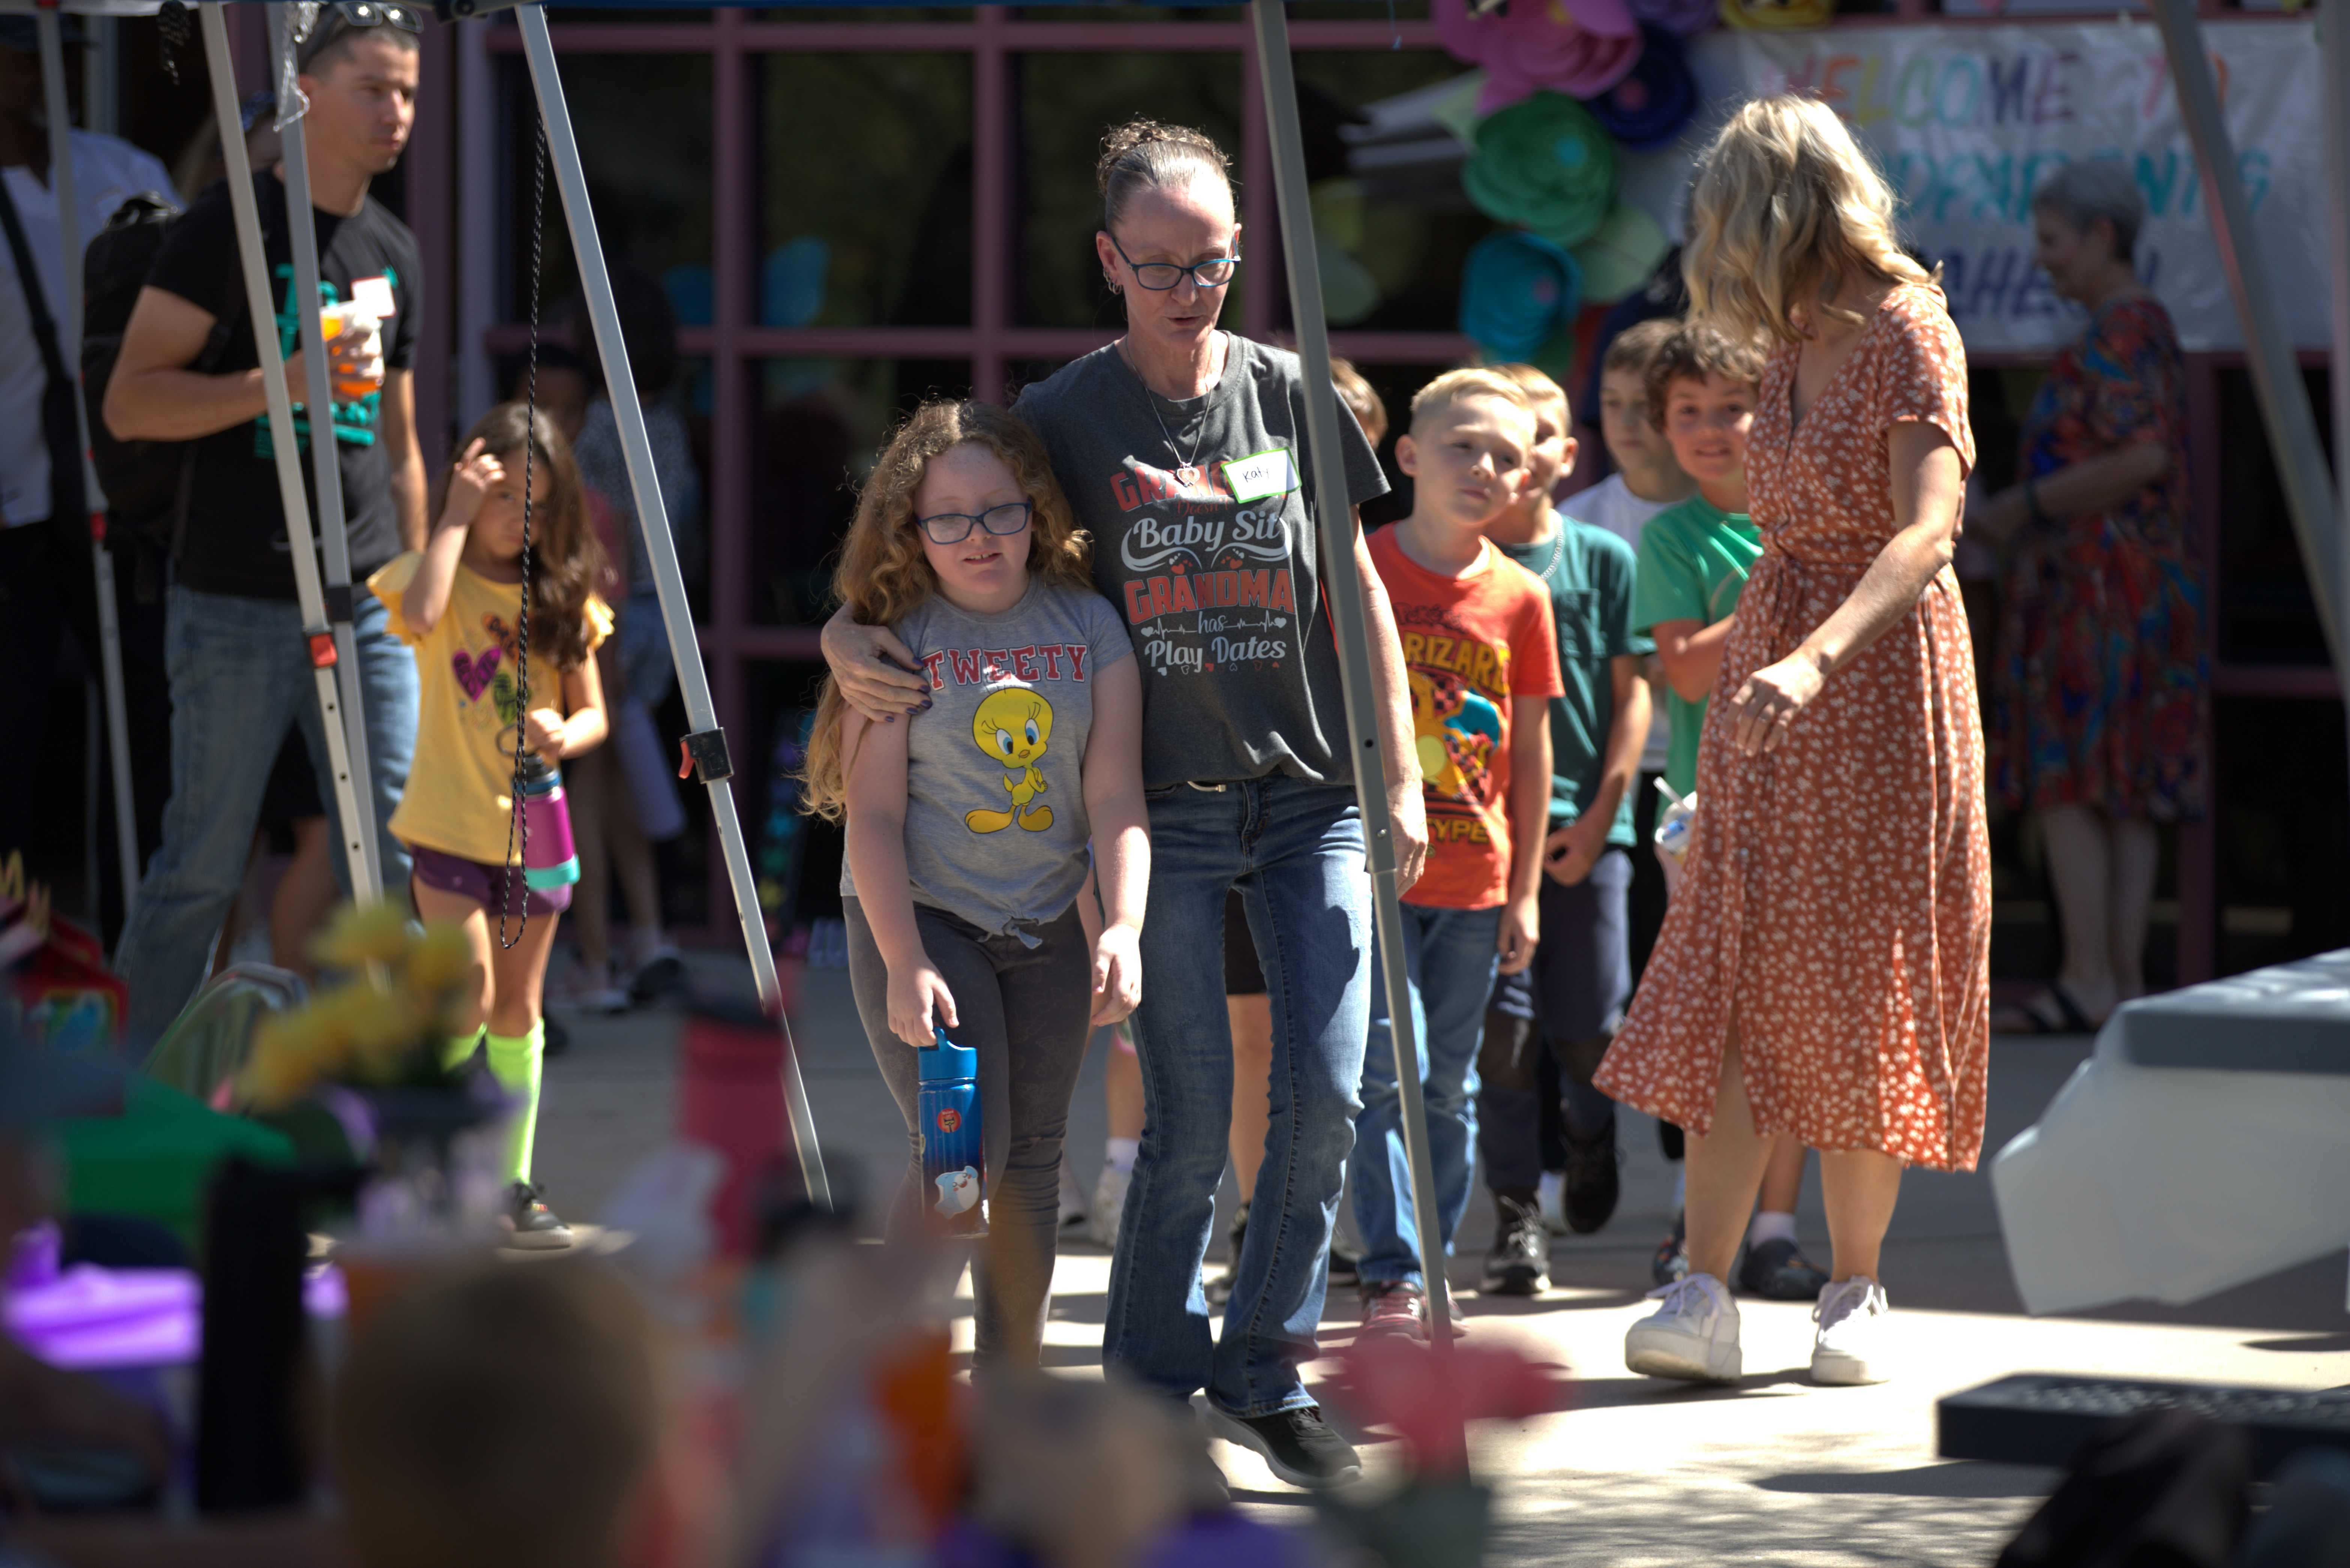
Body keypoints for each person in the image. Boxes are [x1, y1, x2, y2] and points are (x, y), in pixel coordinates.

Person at [820, 119, 1420, 1491]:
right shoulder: (1064, 418)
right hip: (1170, 809)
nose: (1185, 289)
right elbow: (957, 551)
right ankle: (1150, 1385)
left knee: (1328, 1094)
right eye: (1155, 265)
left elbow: (1360, 590)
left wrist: (1399, 772)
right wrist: (839, 640)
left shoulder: (1294, 395)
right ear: (1107, 260)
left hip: (1317, 795)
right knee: (1191, 1121)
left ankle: (1263, 1372)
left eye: (1209, 262)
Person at [1600, 96, 1987, 1389]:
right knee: (1730, 965)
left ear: (1779, 208)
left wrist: (1815, 657)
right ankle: (1701, 1290)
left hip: (1874, 677)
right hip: (1779, 655)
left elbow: (1927, 530)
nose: (1710, 244)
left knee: (1862, 975)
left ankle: (1854, 1290)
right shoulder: (1788, 336)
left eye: (1721, 215)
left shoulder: (1907, 325)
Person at [800, 399, 1146, 1368]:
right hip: (923, 920)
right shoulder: (892, 640)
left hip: (1047, 925)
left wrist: (1123, 925)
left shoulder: (1091, 628)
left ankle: (1008, 1384)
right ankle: (884, 1356)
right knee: (965, 1158)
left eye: (1000, 510)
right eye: (948, 517)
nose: (978, 535)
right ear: (912, 530)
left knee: (1034, 1155)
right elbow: (871, 817)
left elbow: (1116, 794)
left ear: (1036, 508)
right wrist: (905, 956)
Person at [105, 8, 425, 1036]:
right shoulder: (223, 228)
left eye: (410, 92)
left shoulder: (392, 248)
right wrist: (277, 384)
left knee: (398, 865)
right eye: (374, 88)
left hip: (368, 598)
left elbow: (404, 445)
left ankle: (419, 1119)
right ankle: (117, 1109)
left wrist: (419, 585)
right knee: (200, 869)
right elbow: (131, 402)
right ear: (307, 94)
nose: (397, 113)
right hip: (236, 596)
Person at [368, 403, 613, 1249]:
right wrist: (453, 519)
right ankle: (432, 1171)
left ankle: (509, 1182)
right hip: (447, 827)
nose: (519, 517)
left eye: (536, 502)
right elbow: (425, 615)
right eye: (503, 495)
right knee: (463, 1004)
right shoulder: (431, 570)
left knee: (518, 1012)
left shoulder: (562, 597)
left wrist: (563, 733)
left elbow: (594, 719)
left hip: (538, 834)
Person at [1971, 162, 2203, 1034]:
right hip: (2128, 589)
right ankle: (2113, 977)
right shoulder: (2135, 328)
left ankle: (2087, 973)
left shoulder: (2124, 329)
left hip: (2100, 591)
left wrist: (2017, 507)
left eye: (2054, 242)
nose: (2045, 263)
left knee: (2073, 780)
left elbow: (2141, 456)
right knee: (2121, 785)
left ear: (2102, 236)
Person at [1351, 368, 1557, 1335]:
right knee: (1384, 1073)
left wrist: (1526, 893)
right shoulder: (1363, 572)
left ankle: (1433, 1259)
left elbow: (1532, 758)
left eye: (1506, 457)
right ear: (1408, 456)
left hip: (1478, 882)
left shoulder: (1522, 598)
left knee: (1450, 1080)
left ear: (1528, 480)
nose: (1483, 467)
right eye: (1463, 445)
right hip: (1374, 876)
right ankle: (1395, 1270)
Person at [1631, 319, 1827, 1301]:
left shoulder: (1820, 517)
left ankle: (1778, 1233)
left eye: (1734, 407)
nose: (1712, 429)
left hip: (1817, 807)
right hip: (1706, 813)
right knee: (1717, 1030)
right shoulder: (1671, 537)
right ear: (1662, 429)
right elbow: (1687, 664)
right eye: (1688, 412)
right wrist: (1783, 583)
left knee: (1795, 1027)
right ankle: (1696, 1223)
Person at [1453, 360, 1648, 1302]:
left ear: (1565, 454)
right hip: (1487, 847)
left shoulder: (1602, 560)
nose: (1514, 455)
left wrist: (1608, 808)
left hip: (1587, 835)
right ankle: (1517, 1215)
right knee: (1505, 1038)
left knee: (1591, 1029)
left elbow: (1631, 695)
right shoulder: (1465, 563)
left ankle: (1591, 1129)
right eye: (1494, 436)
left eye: (1534, 434)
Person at [1206, 356, 1384, 1308]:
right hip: (1218, 796)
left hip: (1321, 802)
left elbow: (1369, 622)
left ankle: (1342, 1235)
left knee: (1336, 1056)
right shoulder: (1234, 499)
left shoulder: (1355, 555)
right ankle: (1252, 1217)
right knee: (1245, 1038)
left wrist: (1390, 778)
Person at [0, 17, 179, 943]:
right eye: (24, 55)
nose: (46, 76)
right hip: (11, 511)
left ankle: (136, 952)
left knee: (148, 729)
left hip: (117, 497)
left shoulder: (124, 170)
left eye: (60, 57)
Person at [569, 280, 694, 1001]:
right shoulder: (668, 423)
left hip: (607, 615)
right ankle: (647, 933)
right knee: (620, 779)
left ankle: (599, 956)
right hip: (658, 613)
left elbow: (588, 533)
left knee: (592, 782)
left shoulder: (594, 429)